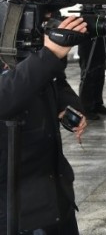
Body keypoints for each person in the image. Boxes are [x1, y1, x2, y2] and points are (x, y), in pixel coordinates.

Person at [0, 15, 89, 234]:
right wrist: (49, 56)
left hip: (53, 189)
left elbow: (57, 81)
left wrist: (70, 106)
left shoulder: (24, 45)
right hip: (14, 201)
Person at [78, 35, 106, 120]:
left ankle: (97, 104)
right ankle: (86, 108)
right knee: (88, 75)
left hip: (101, 39)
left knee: (99, 73)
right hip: (87, 40)